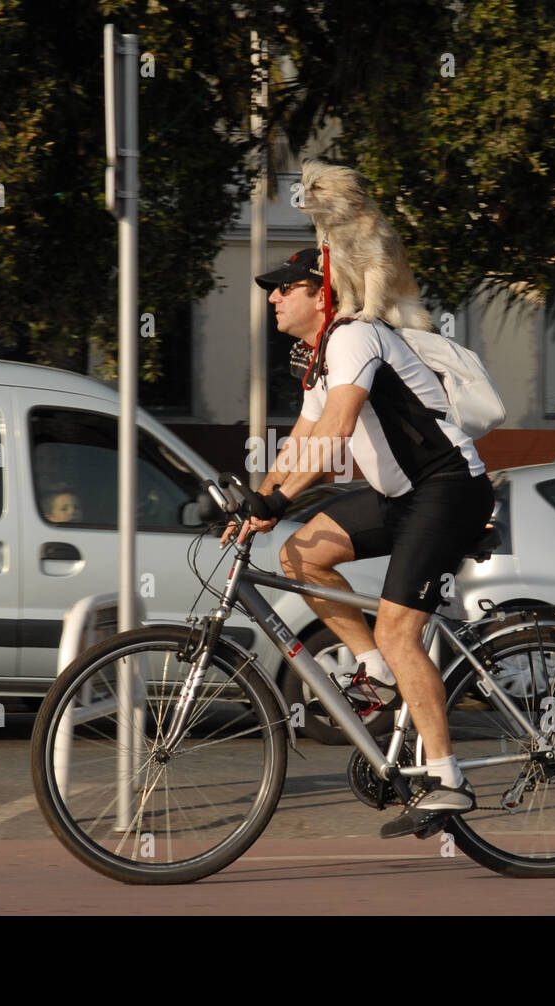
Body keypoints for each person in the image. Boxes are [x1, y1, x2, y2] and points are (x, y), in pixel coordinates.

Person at [228, 247, 494, 838]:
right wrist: (258, 503)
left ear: (320, 293)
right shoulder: (322, 357)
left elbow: (338, 430)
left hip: (447, 488)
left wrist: (278, 500)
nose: (273, 297)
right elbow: (304, 438)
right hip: (402, 495)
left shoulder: (354, 336)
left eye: (284, 287)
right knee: (301, 555)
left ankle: (448, 778)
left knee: (399, 630)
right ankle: (375, 670)